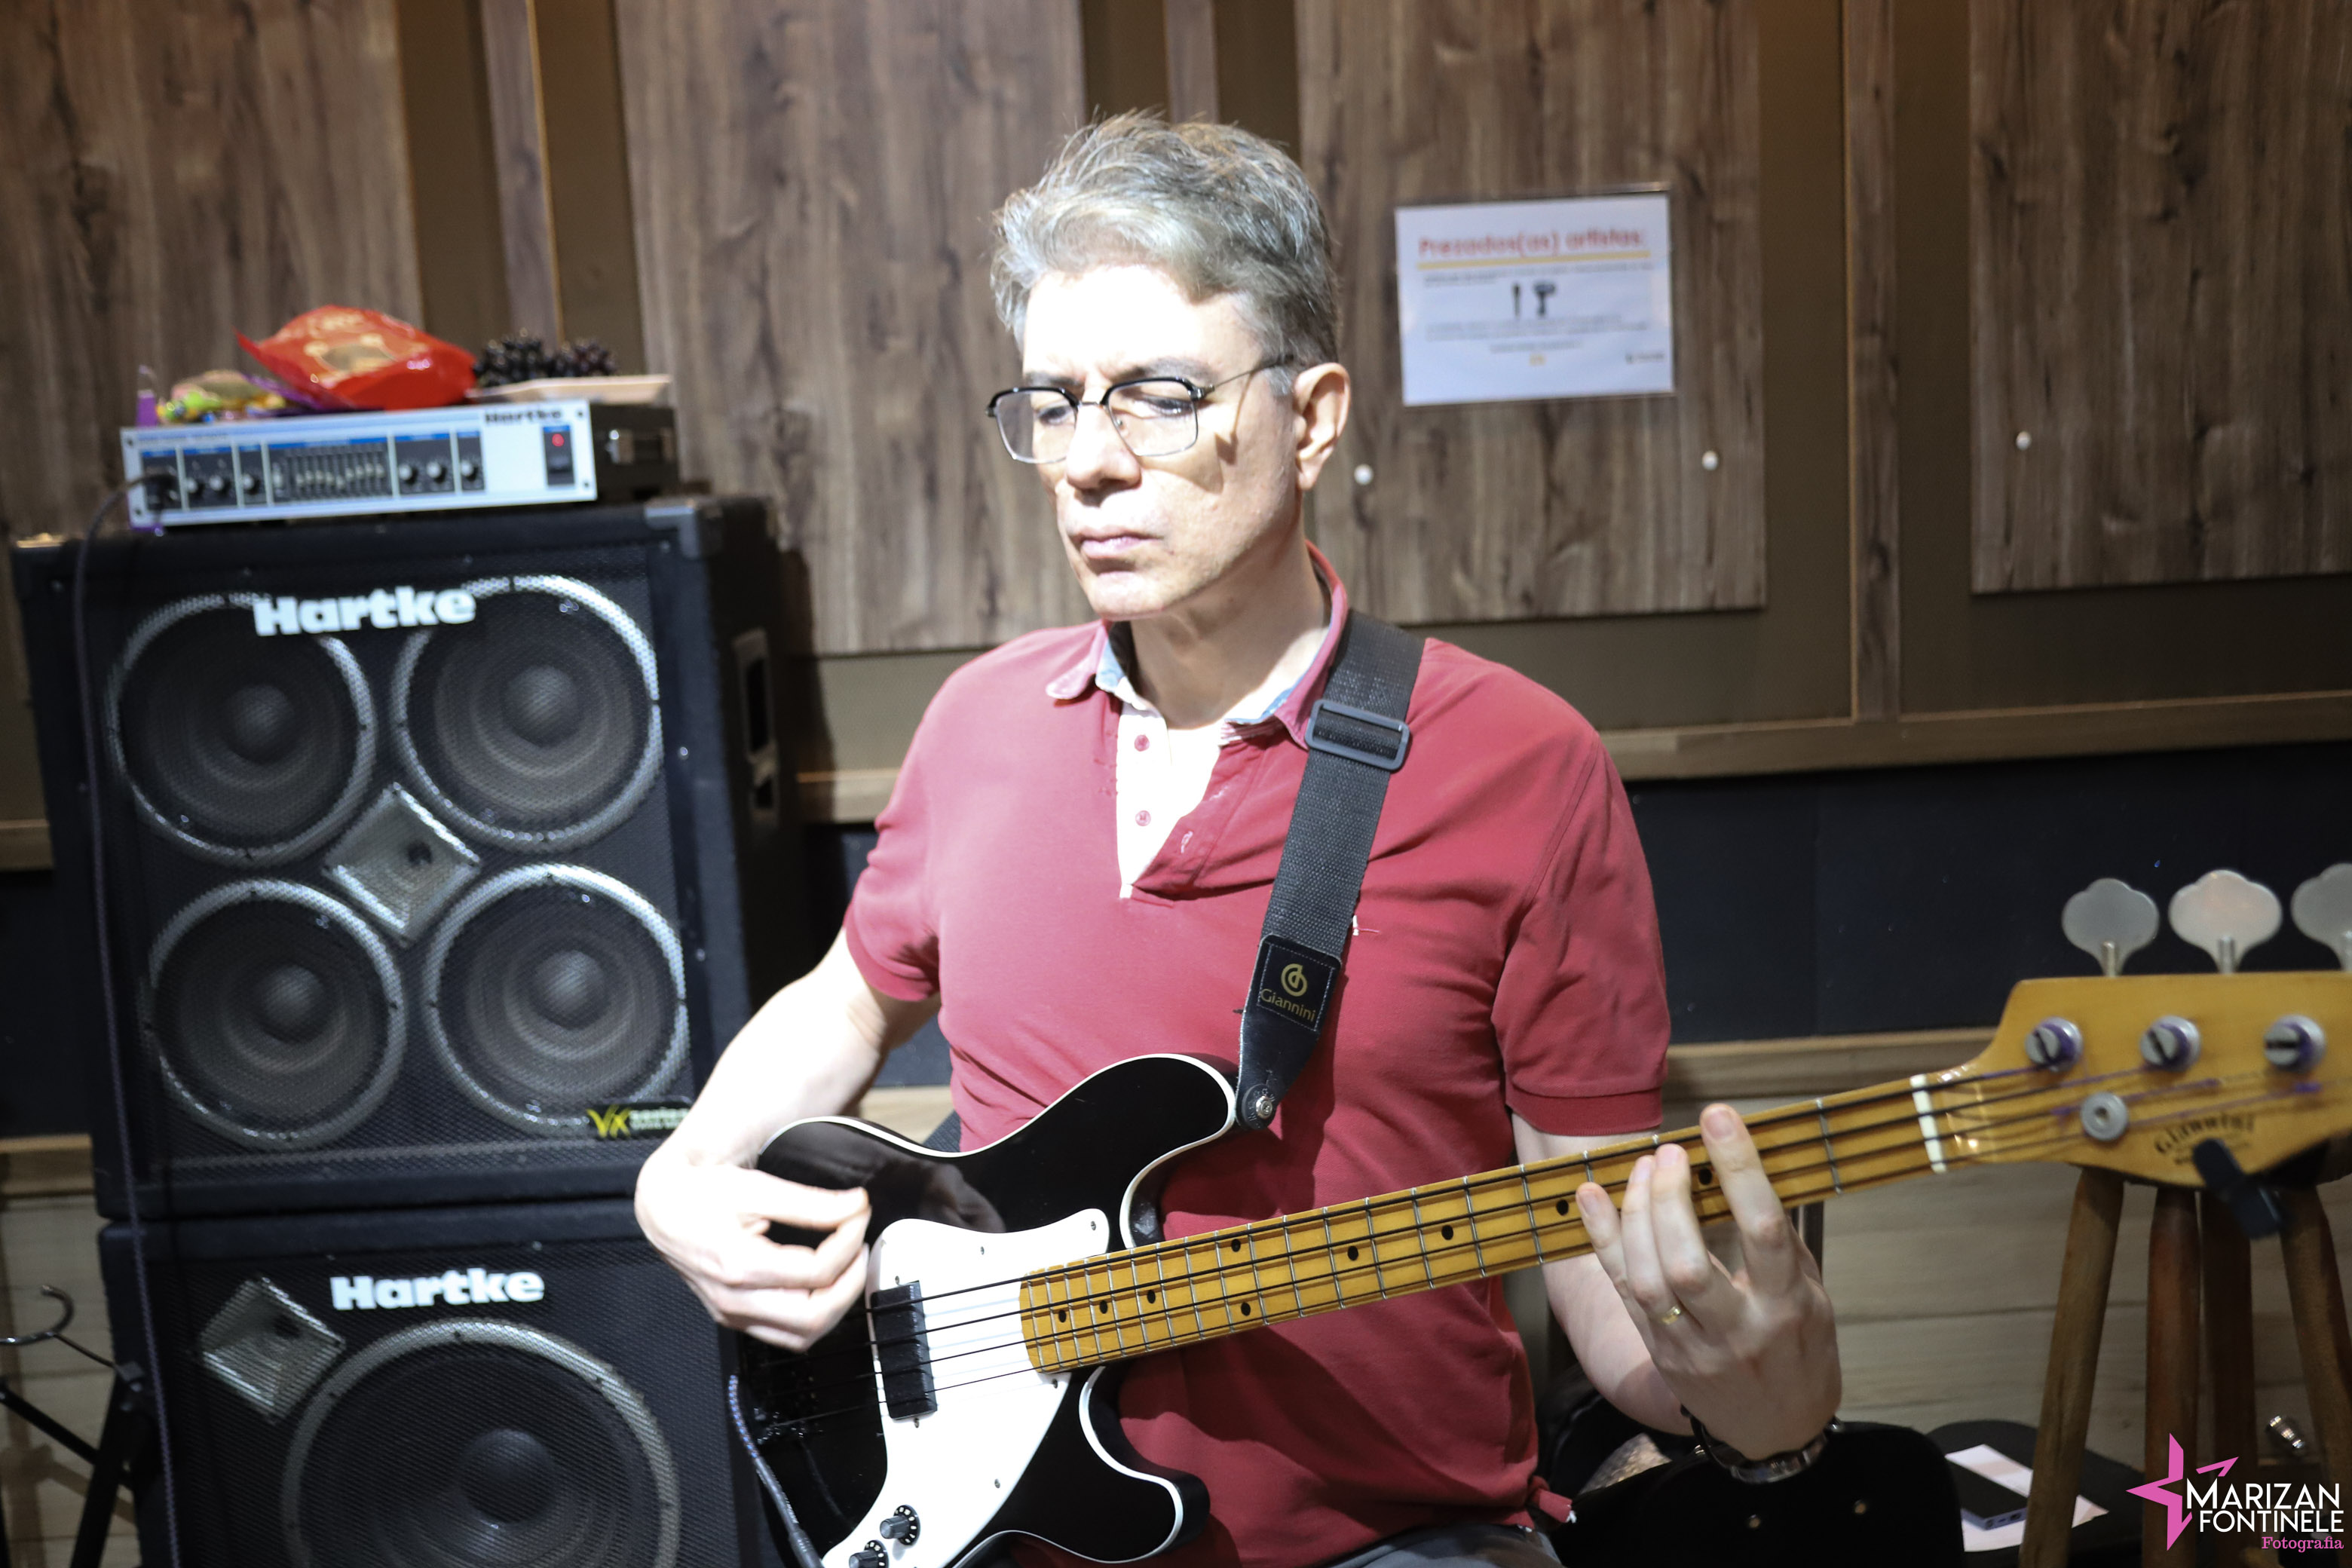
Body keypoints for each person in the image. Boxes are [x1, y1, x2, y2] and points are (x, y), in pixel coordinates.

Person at [636, 114, 1841, 1568]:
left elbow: (1600, 1265)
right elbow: (849, 999)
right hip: (998, 1532)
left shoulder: (1523, 766)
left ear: (1312, 416)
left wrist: (1761, 1402)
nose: (1089, 463)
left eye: (1156, 398)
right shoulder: (976, 726)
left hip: (1397, 1542)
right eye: (1054, 405)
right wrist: (676, 1176)